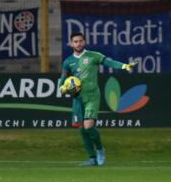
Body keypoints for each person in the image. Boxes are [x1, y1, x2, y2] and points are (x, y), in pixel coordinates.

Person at [58, 32, 136, 166]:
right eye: (75, 41)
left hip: (92, 96)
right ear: (71, 44)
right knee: (82, 129)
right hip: (78, 99)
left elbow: (109, 62)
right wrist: (62, 88)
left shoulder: (93, 56)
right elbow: (63, 79)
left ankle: (100, 149)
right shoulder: (68, 62)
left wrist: (124, 66)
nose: (78, 44)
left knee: (88, 126)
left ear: (84, 42)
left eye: (81, 41)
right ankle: (91, 158)